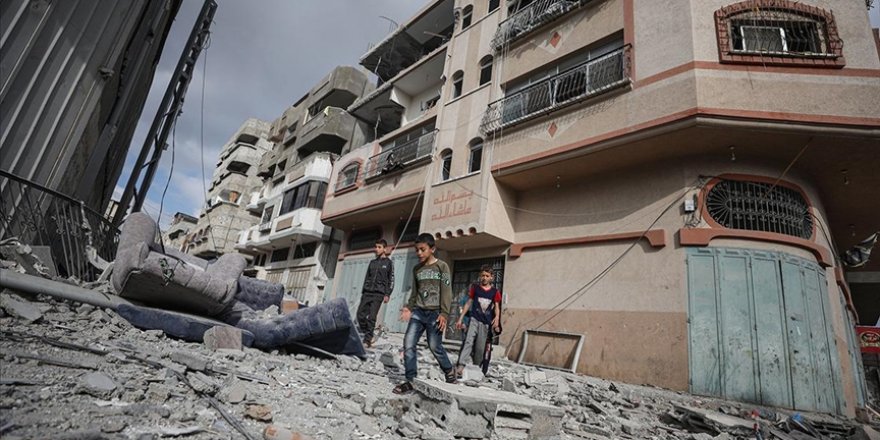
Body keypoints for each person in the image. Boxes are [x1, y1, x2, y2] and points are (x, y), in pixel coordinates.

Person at [393, 233, 457, 394]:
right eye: (417, 250)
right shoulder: (416, 269)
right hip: (419, 312)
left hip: (435, 313)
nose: (419, 253)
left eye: (422, 249)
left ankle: (449, 371)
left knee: (435, 346)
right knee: (408, 343)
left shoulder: (442, 267)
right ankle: (410, 380)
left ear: (432, 249)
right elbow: (415, 292)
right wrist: (409, 307)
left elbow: (447, 291)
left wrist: (444, 313)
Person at [455, 265, 501, 376]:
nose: (484, 278)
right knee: (468, 341)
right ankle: (460, 365)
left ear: (491, 278)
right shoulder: (475, 288)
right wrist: (460, 319)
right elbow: (468, 303)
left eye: (487, 276)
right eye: (483, 275)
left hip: (485, 323)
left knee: (480, 347)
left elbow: (497, 306)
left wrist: (497, 318)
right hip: (474, 319)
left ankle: (477, 367)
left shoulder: (495, 292)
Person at [356, 239, 394, 348]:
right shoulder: (372, 263)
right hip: (367, 292)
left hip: (379, 294)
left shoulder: (388, 263)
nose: (376, 249)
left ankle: (367, 340)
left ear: (384, 249)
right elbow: (367, 277)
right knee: (360, 315)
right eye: (376, 247)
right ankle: (368, 333)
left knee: (372, 317)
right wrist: (363, 291)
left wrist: (388, 294)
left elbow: (391, 279)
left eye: (379, 247)